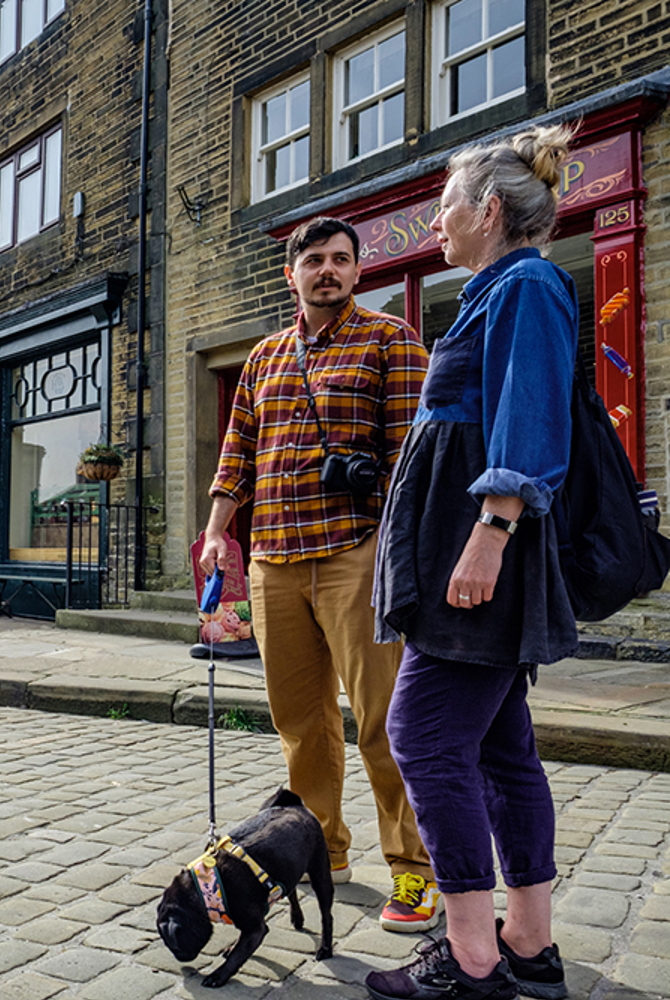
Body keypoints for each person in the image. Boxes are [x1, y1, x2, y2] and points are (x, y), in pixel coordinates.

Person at [366, 124, 578, 1000]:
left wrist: (490, 532)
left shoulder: (525, 285)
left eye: (444, 205)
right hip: (468, 559)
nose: (435, 223)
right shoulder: (501, 288)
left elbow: (530, 425)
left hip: (476, 564)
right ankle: (528, 946)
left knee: (419, 734)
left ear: (487, 210)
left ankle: (472, 958)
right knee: (500, 750)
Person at [201, 216, 437, 931]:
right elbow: (237, 451)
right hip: (273, 558)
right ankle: (320, 850)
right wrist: (216, 531)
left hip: (356, 552)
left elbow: (411, 455)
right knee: (301, 725)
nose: (326, 269)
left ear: (358, 272)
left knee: (385, 722)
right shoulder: (265, 357)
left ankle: (415, 868)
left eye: (340, 259)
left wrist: (402, 550)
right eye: (313, 260)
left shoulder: (392, 339)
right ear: (292, 273)